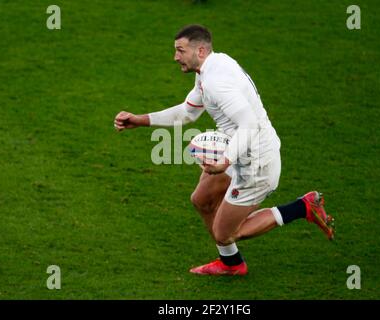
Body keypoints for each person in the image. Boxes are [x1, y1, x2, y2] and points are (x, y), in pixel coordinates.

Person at [114, 24, 335, 276]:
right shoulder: (211, 67)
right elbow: (188, 112)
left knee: (226, 233)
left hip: (256, 164)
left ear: (199, 50)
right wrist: (139, 120)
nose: (175, 57)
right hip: (239, 150)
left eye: (179, 50)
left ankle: (303, 207)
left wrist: (226, 161)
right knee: (202, 200)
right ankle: (231, 263)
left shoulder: (217, 81)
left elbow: (249, 123)